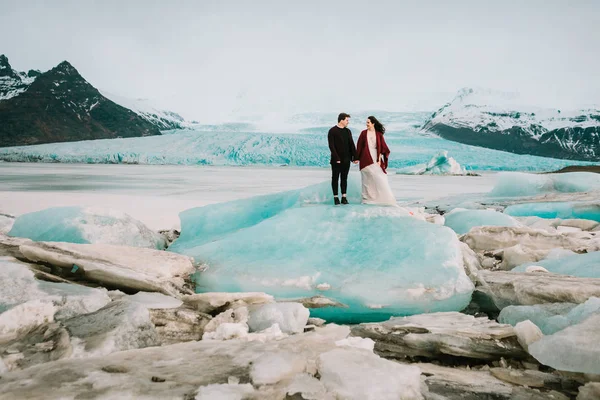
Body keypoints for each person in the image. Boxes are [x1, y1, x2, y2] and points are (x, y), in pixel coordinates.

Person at [355, 116, 396, 205]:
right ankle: (366, 199)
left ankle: (384, 198)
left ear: (373, 123)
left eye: (368, 122)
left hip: (375, 157)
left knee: (380, 176)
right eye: (366, 122)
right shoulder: (363, 133)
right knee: (366, 179)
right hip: (365, 157)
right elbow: (359, 146)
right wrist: (356, 158)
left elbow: (383, 147)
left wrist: (379, 159)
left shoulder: (378, 134)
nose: (367, 124)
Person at [328, 113, 358, 205]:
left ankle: (344, 197)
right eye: (346, 120)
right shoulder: (332, 131)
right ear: (341, 120)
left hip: (346, 159)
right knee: (335, 178)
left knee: (344, 178)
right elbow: (331, 146)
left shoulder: (348, 131)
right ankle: (336, 197)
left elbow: (351, 145)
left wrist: (355, 157)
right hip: (336, 160)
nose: (347, 122)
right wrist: (336, 157)